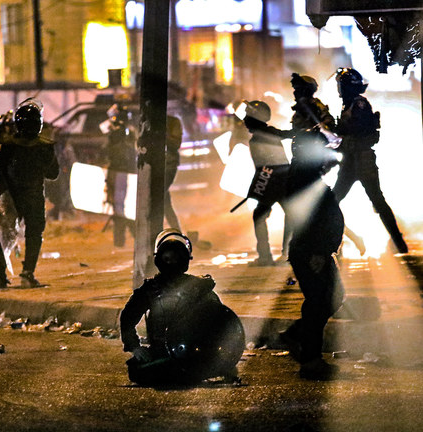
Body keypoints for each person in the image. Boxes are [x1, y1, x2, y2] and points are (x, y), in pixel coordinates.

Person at [277, 73, 346, 380]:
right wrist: (317, 251)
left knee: (330, 298)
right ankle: (310, 359)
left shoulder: (310, 177)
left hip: (316, 248)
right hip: (311, 251)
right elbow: (303, 218)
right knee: (321, 301)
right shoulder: (303, 179)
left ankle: (298, 340)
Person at [120, 229, 245, 386]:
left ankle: (194, 371)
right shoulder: (150, 290)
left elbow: (218, 322)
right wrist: (135, 348)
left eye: (175, 258)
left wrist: (221, 354)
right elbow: (128, 318)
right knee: (137, 370)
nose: (171, 262)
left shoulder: (199, 288)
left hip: (194, 352)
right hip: (162, 352)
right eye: (167, 258)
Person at [332, 67, 408, 254]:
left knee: (375, 201)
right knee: (335, 202)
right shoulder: (349, 104)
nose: (339, 89)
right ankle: (397, 242)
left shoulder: (359, 105)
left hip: (360, 160)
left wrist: (339, 133)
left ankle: (398, 241)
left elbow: (360, 132)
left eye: (341, 85)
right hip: (351, 160)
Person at [0, 98, 59, 289]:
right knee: (34, 234)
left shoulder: (7, 146)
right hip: (34, 196)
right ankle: (27, 274)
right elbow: (53, 174)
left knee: (6, 235)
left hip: (11, 197)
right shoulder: (45, 147)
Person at [242, 100, 292, 266]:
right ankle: (285, 253)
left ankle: (268, 256)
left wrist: (257, 187)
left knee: (260, 217)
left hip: (274, 181)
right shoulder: (265, 134)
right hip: (279, 180)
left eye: (248, 117)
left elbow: (264, 167)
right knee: (289, 215)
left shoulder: (261, 137)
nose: (245, 120)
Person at [105, 103, 137, 247]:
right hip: (125, 171)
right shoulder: (127, 132)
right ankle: (124, 239)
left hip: (120, 171)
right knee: (122, 207)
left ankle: (121, 240)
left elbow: (111, 151)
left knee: (120, 208)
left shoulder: (122, 133)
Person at [164, 115, 182, 231]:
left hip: (168, 163)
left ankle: (176, 230)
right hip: (154, 163)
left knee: (160, 195)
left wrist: (162, 133)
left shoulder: (172, 122)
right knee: (164, 200)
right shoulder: (147, 120)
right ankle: (177, 230)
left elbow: (175, 144)